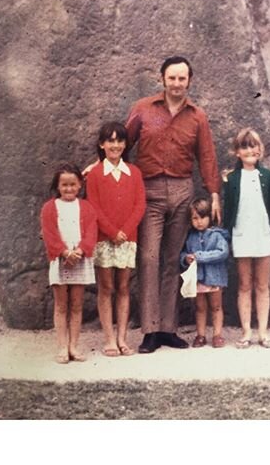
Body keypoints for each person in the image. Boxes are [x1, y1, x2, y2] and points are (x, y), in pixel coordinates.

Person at [125, 56, 221, 354]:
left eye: (182, 79)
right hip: (150, 190)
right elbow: (122, 144)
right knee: (149, 257)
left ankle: (168, 328)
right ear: (162, 79)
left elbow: (206, 156)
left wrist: (214, 192)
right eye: (172, 78)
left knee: (172, 259)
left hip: (182, 190)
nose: (177, 84)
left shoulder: (197, 116)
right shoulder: (143, 109)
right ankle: (150, 330)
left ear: (189, 81)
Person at [85, 122, 146, 357]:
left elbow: (140, 205)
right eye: (110, 140)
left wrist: (126, 230)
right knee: (106, 287)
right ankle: (109, 339)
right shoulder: (95, 174)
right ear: (102, 144)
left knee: (123, 287)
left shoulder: (134, 172)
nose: (115, 145)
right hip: (104, 239)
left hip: (128, 239)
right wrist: (112, 232)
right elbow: (93, 207)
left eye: (119, 140)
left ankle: (122, 338)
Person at [223, 128, 270, 349]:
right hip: (241, 236)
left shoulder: (269, 178)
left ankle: (263, 332)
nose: (250, 150)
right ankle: (246, 331)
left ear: (260, 149)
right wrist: (227, 234)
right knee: (244, 285)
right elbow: (228, 210)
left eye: (253, 145)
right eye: (244, 146)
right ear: (237, 152)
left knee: (262, 285)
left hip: (263, 235)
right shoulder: (231, 179)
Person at [40, 163, 97, 364]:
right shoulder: (49, 208)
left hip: (80, 259)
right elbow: (49, 234)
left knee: (76, 305)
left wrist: (80, 250)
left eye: (73, 184)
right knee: (61, 305)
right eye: (64, 185)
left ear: (80, 185)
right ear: (58, 186)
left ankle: (74, 346)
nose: (69, 189)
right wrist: (65, 252)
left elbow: (91, 232)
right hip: (60, 260)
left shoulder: (86, 207)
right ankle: (62, 347)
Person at [179, 197, 230, 349]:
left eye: (202, 217)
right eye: (195, 218)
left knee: (216, 306)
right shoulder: (190, 236)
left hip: (215, 278)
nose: (199, 222)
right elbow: (183, 253)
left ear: (210, 217)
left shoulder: (216, 235)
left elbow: (222, 252)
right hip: (198, 278)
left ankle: (217, 334)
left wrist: (199, 256)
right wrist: (185, 259)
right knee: (200, 307)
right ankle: (200, 335)